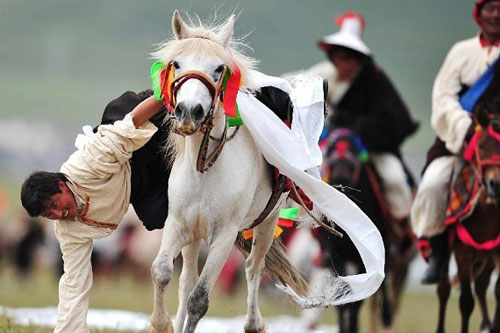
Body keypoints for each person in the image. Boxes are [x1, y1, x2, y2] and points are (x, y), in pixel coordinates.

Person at [20, 92, 165, 332]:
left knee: (173, 120)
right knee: (155, 217)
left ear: (61, 185)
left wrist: (164, 93)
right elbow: (74, 280)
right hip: (137, 183)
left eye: (55, 205)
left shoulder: (88, 164)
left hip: (140, 134)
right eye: (49, 215)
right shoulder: (67, 230)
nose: (58, 215)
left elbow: (130, 125)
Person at [285, 11, 419, 224]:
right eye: (338, 58)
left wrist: (359, 129)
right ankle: (303, 223)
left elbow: (393, 119)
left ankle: (400, 229)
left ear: (358, 59)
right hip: (331, 147)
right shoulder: (325, 74)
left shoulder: (375, 81)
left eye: (348, 58)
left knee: (394, 179)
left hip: (370, 148)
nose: (343, 64)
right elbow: (294, 84)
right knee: (303, 179)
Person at [411, 0, 500, 284]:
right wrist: (466, 129)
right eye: (490, 8)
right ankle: (438, 252)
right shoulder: (461, 53)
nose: (496, 15)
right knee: (433, 183)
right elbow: (443, 97)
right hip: (461, 141)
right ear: (479, 13)